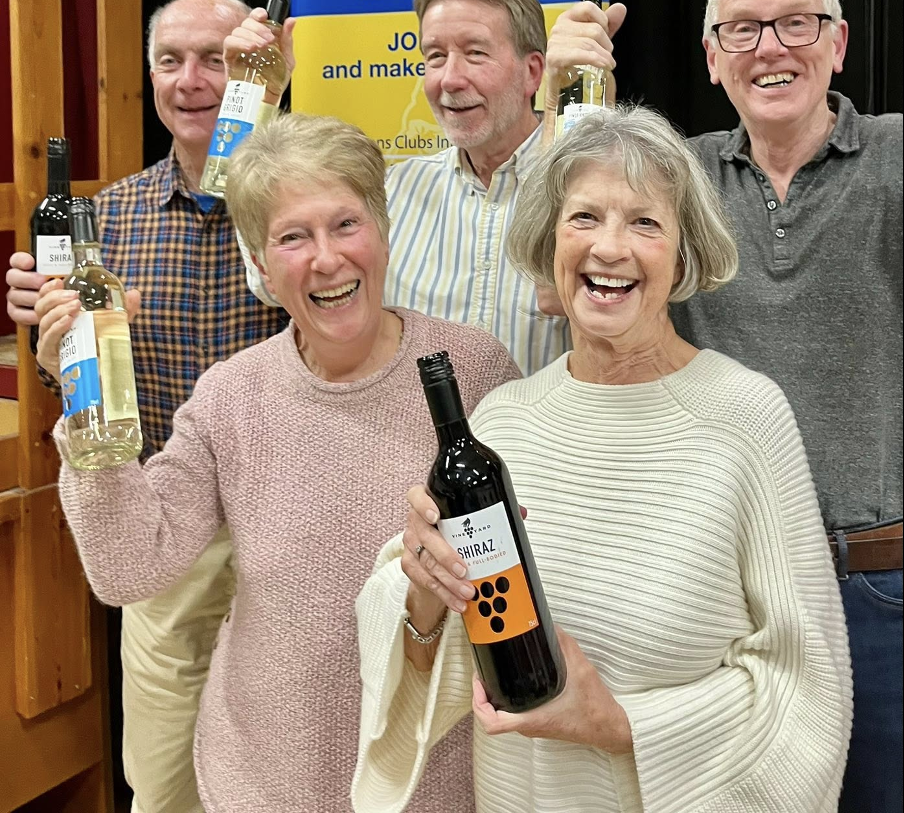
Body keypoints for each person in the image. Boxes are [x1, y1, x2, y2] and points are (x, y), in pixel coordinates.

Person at [352, 107, 852, 813]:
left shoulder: (745, 417)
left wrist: (623, 727)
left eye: (644, 223)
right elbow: (424, 649)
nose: (608, 248)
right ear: (550, 242)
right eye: (584, 217)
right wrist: (427, 589)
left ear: (684, 256)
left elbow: (807, 686)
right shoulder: (506, 420)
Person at [35, 113, 518, 813]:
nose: (326, 259)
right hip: (266, 779)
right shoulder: (230, 396)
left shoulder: (472, 369)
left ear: (383, 233)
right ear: (260, 264)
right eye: (293, 237)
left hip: (435, 779)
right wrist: (82, 398)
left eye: (346, 224)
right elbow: (129, 568)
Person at [545, 0, 902, 812]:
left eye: (796, 24)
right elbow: (563, 250)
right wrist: (567, 96)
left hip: (878, 589)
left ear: (840, 42)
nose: (770, 48)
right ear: (711, 58)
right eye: (741, 29)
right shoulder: (673, 175)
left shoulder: (897, 156)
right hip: (721, 590)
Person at [5, 0, 287, 813]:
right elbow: (72, 379)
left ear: (254, 74)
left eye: (218, 59)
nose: (193, 80)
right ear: (150, 75)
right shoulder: (107, 217)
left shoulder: (300, 209)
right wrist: (53, 344)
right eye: (172, 61)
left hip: (290, 519)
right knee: (163, 780)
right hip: (168, 528)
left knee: (296, 769)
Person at [234, 0, 626, 375]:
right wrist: (253, 90)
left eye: (475, 53)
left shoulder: (592, 190)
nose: (450, 79)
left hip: (547, 439)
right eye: (435, 56)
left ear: (533, 73)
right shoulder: (390, 192)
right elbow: (273, 283)